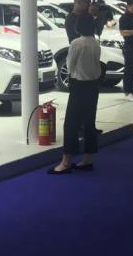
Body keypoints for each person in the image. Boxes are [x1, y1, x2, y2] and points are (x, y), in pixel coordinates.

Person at [49, 15, 101, 174]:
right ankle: (88, 159)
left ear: (79, 26)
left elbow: (70, 65)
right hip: (93, 86)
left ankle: (66, 162)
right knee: (89, 123)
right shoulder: (95, 43)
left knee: (71, 123)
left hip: (79, 86)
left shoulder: (76, 43)